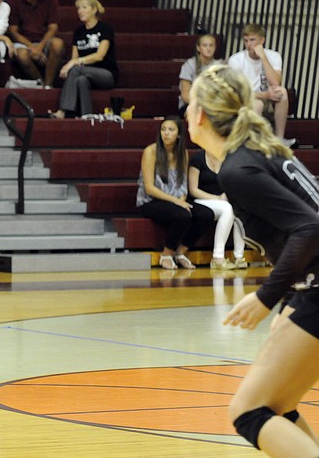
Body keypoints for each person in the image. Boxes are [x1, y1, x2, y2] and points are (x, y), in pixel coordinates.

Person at [185, 64, 319, 457]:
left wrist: (265, 298)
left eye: (189, 104)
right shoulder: (259, 152)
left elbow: (310, 228)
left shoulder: (238, 169)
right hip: (311, 287)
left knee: (249, 412)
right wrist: (288, 302)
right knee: (276, 405)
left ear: (201, 114)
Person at [136, 118, 214, 270]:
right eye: (163, 129)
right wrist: (176, 202)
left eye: (171, 130)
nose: (166, 133)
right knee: (182, 215)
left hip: (174, 200)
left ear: (178, 134)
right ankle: (166, 255)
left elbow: (183, 184)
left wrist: (182, 199)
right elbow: (149, 188)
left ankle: (181, 252)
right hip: (151, 201)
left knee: (206, 215)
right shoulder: (151, 151)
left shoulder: (182, 153)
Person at [51, 0, 118, 119]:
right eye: (78, 8)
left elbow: (99, 56)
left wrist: (74, 63)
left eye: (84, 7)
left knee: (75, 69)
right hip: (84, 73)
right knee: (81, 80)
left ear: (94, 10)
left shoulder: (105, 29)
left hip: (106, 74)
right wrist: (72, 63)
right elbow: (74, 58)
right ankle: (86, 115)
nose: (80, 11)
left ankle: (63, 110)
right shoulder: (78, 32)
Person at [227, 24, 292, 144]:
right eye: (246, 41)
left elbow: (275, 82)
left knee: (282, 92)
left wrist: (263, 57)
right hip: (246, 98)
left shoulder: (274, 56)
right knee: (257, 104)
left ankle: (279, 138)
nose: (249, 44)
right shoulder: (235, 60)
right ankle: (256, 141)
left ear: (262, 40)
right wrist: (265, 95)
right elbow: (238, 92)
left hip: (268, 97)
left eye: (252, 40)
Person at [188, 149, 246, 269]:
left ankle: (239, 257)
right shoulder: (198, 159)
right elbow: (193, 190)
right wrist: (217, 198)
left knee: (239, 209)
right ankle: (218, 258)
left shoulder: (228, 159)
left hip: (222, 201)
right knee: (228, 209)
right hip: (201, 200)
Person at [7, 0, 64, 88]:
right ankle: (41, 83)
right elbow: (13, 31)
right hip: (23, 41)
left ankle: (48, 85)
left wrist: (40, 46)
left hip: (44, 39)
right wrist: (32, 47)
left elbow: (53, 27)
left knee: (58, 44)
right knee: (22, 54)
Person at [179, 33, 222, 117]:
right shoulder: (189, 65)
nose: (208, 48)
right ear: (198, 48)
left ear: (215, 47)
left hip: (212, 105)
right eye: (205, 45)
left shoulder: (219, 66)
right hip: (190, 104)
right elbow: (185, 95)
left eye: (211, 45)